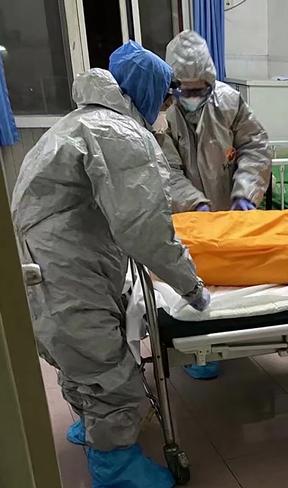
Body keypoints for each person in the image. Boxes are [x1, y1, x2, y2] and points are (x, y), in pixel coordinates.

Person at [11, 41, 210, 488]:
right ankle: (116, 470)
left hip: (50, 266)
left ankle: (91, 427)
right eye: (164, 96)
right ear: (145, 91)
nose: (166, 108)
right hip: (70, 272)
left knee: (80, 360)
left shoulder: (76, 123)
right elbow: (144, 227)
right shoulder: (119, 134)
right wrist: (190, 286)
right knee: (110, 375)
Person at [158, 30, 272, 380]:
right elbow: (165, 171)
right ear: (172, 84)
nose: (192, 96)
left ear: (211, 81)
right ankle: (198, 348)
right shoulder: (161, 114)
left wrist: (245, 192)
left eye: (200, 88)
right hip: (187, 216)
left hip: (231, 209)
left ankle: (230, 335)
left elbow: (256, 146)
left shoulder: (229, 102)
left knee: (232, 276)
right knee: (193, 276)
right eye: (185, 89)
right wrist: (196, 204)